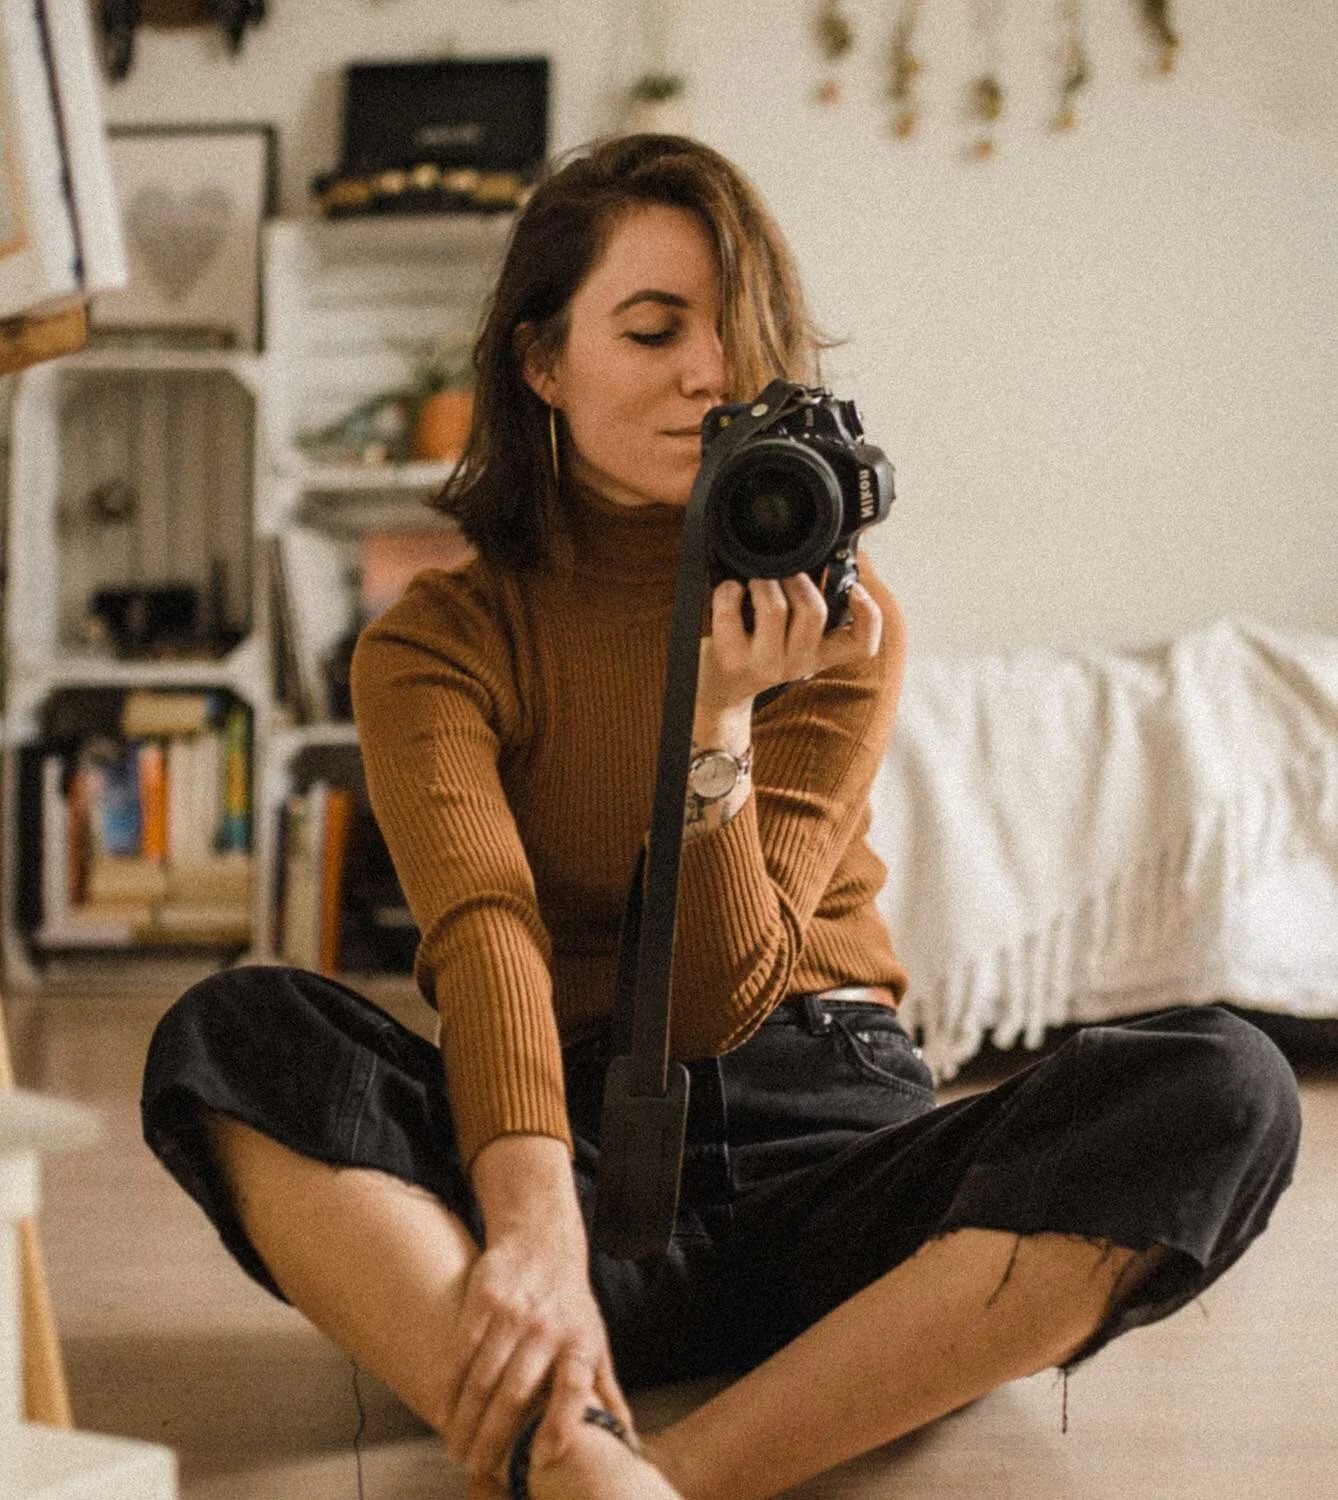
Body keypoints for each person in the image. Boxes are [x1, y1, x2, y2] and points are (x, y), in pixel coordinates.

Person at [143, 134, 1302, 1500]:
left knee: (1224, 1083)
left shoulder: (840, 626)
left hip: (838, 1166)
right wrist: (535, 1240)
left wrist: (718, 726)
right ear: (538, 361)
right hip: (573, 1153)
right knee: (233, 1034)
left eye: (736, 333)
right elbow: (485, 930)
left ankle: (652, 1472)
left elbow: (710, 1005)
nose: (707, 370)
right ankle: (559, 1418)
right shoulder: (438, 639)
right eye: (650, 328)